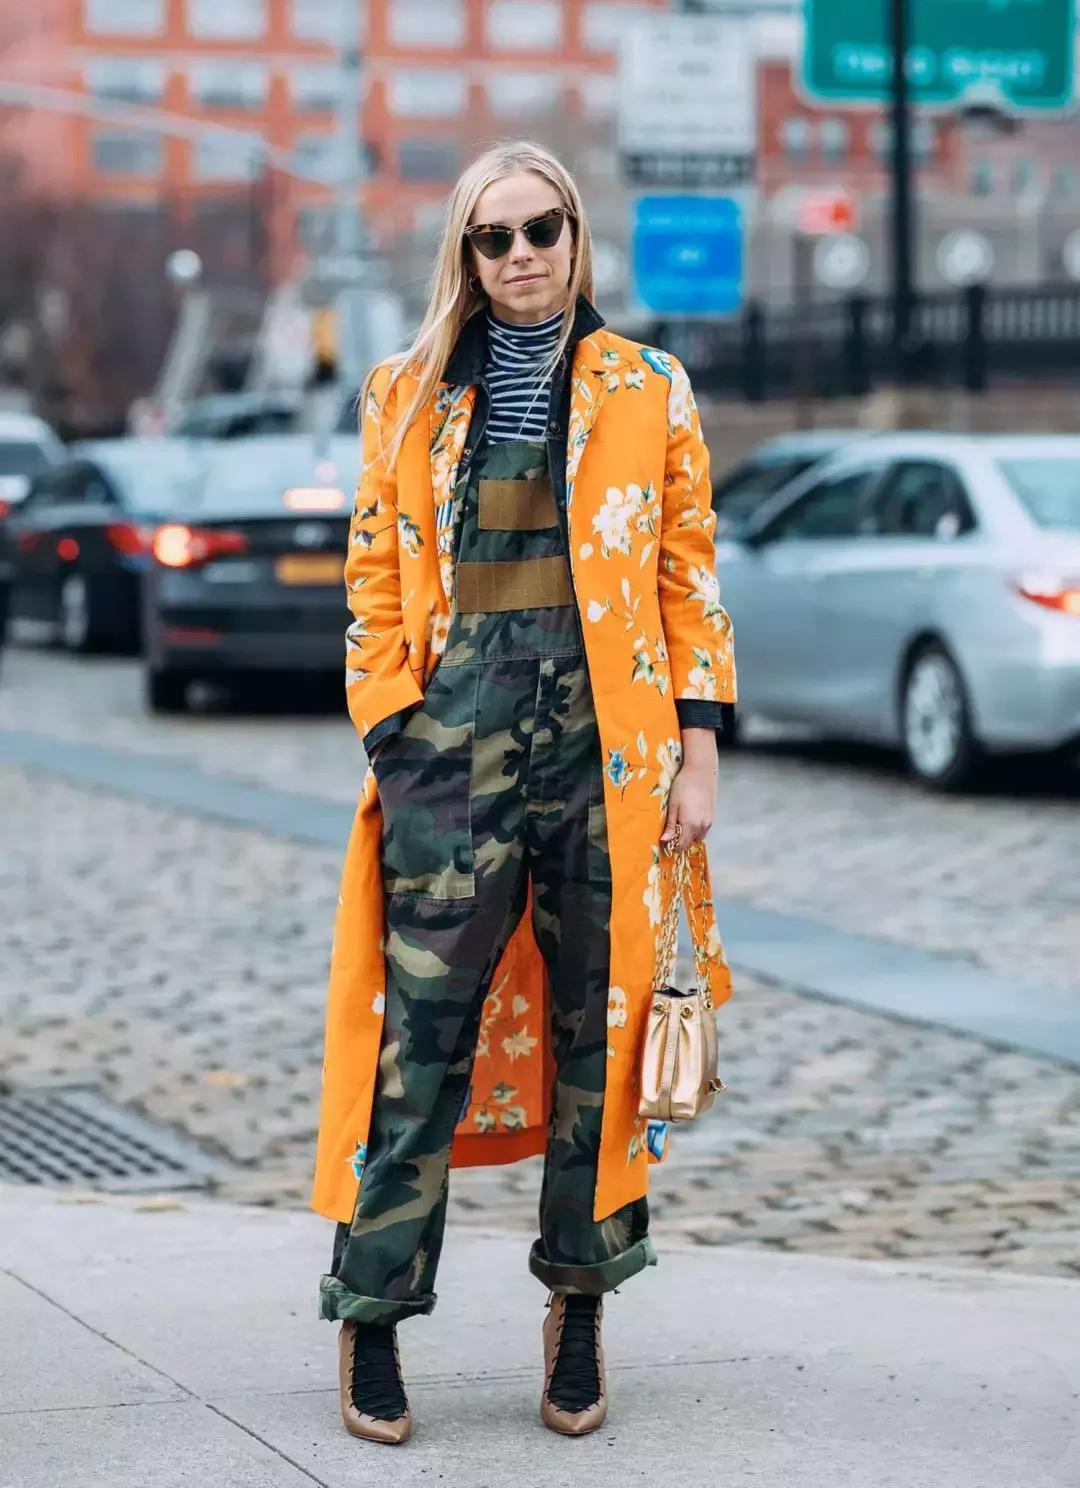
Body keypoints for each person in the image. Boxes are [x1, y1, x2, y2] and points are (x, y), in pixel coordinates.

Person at [311, 139, 736, 1447]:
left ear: (575, 233)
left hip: (608, 748)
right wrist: (395, 728)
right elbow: (373, 570)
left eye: (541, 228)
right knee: (420, 1038)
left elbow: (685, 572)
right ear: (466, 254)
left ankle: (582, 1309)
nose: (521, 256)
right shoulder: (404, 395)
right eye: (492, 238)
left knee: (598, 1040)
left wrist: (700, 744)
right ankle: (373, 1316)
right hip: (453, 743)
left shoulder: (647, 388)